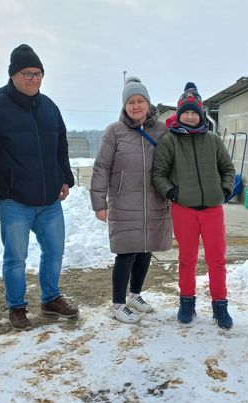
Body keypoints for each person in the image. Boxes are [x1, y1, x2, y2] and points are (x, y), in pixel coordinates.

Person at [0, 44, 78, 330]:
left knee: (54, 251)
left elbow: (60, 146)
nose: (34, 79)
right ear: (13, 74)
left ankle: (51, 298)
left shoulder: (49, 107)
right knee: (16, 257)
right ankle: (17, 307)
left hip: (49, 200)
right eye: (27, 73)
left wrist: (64, 177)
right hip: (14, 199)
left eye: (39, 73)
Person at [152, 82, 236, 329]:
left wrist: (224, 190)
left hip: (212, 210)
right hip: (184, 209)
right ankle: (186, 301)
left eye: (194, 112)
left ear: (200, 114)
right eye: (186, 112)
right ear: (179, 114)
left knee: (217, 259)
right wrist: (173, 193)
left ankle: (220, 305)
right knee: (187, 259)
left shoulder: (212, 140)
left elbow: (227, 169)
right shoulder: (170, 141)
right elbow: (159, 173)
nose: (190, 116)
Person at [90, 77, 172, 324]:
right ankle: (118, 304)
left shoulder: (161, 131)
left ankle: (135, 294)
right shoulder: (114, 132)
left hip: (154, 201)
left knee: (146, 249)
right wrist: (99, 202)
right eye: (131, 102)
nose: (136, 106)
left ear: (148, 103)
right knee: (126, 253)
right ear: (125, 106)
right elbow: (101, 167)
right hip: (124, 201)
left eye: (140, 101)